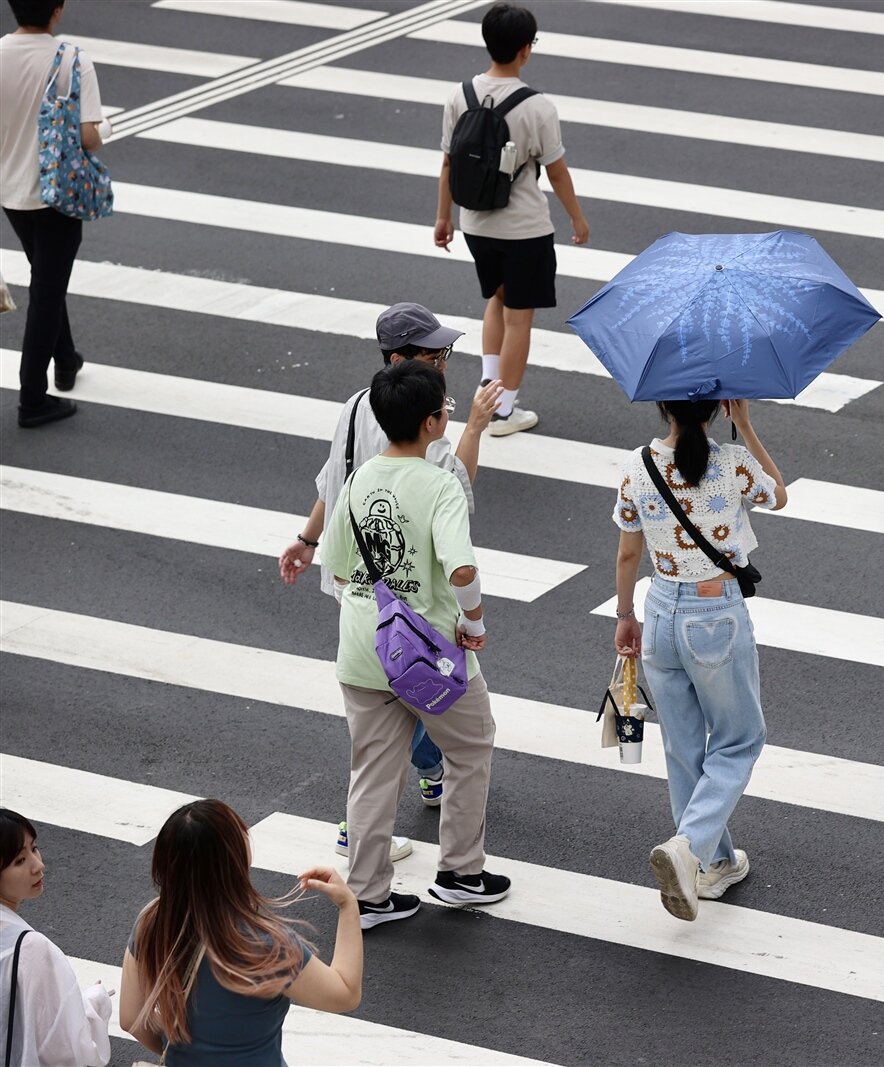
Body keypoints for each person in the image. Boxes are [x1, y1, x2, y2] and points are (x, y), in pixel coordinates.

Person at [277, 302, 503, 843]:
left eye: (445, 351)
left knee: (391, 686)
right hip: (406, 584)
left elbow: (335, 480)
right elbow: (455, 487)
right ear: (399, 357)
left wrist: (309, 540)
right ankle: (376, 815)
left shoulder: (358, 404)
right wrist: (473, 426)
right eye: (432, 354)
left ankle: (420, 779)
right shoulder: (409, 424)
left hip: (360, 580)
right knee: (413, 683)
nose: (443, 362)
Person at [323, 359, 509, 927]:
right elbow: (461, 569)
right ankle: (460, 873)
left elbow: (335, 564)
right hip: (430, 655)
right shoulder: (440, 484)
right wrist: (473, 622)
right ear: (431, 423)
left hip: (365, 647)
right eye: (446, 409)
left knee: (373, 773)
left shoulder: (358, 481)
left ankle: (369, 895)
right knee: (471, 746)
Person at [612, 399, 785, 921]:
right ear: (716, 408)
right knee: (739, 739)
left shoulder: (638, 466)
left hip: (660, 609)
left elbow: (626, 554)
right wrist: (748, 426)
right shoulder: (732, 462)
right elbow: (778, 495)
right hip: (715, 614)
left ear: (662, 405)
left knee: (684, 746)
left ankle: (714, 863)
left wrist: (626, 616)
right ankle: (689, 847)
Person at [434, 1, 589, 436]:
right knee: (520, 316)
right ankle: (503, 411)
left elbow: (448, 163)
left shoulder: (459, 95)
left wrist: (443, 218)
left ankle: (490, 384)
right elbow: (556, 171)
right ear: (525, 49)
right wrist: (577, 218)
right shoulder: (537, 106)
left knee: (496, 301)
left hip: (476, 224)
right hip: (524, 229)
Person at [118, 800, 362, 1065]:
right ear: (234, 859)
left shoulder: (152, 922)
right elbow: (345, 994)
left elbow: (131, 1019)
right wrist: (348, 905)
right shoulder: (267, 946)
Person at [1, 0, 106, 428]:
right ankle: (32, 398)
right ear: (57, 10)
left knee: (47, 275)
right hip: (58, 196)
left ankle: (66, 360)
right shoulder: (71, 60)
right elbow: (89, 137)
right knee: (46, 290)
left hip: (11, 193)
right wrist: (107, 128)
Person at [0, 810, 111, 1066]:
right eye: (19, 860)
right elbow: (66, 1050)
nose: (38, 865)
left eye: (34, 849)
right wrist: (93, 1003)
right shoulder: (29, 948)